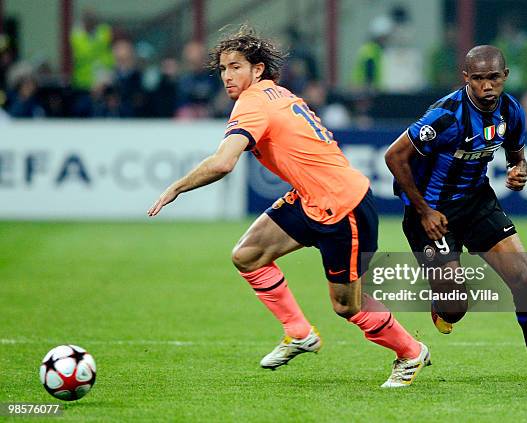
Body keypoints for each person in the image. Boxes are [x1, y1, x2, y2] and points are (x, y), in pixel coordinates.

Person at [148, 25, 429, 388]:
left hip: (342, 206)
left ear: (257, 69)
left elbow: (223, 162)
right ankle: (299, 332)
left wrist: (177, 187)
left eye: (236, 67)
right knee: (248, 254)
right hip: (312, 197)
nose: (227, 76)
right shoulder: (276, 93)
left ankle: (410, 352)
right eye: (222, 69)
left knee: (347, 305)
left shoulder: (252, 102)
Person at [384, 45, 527, 383]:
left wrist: (519, 171)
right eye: (478, 79)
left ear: (505, 77)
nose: (487, 87)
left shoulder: (511, 111)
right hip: (431, 213)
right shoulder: (444, 116)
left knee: (525, 281)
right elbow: (394, 157)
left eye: (494, 78)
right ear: (466, 78)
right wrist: (424, 210)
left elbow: (516, 156)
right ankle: (442, 300)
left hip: (477, 203)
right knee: (455, 309)